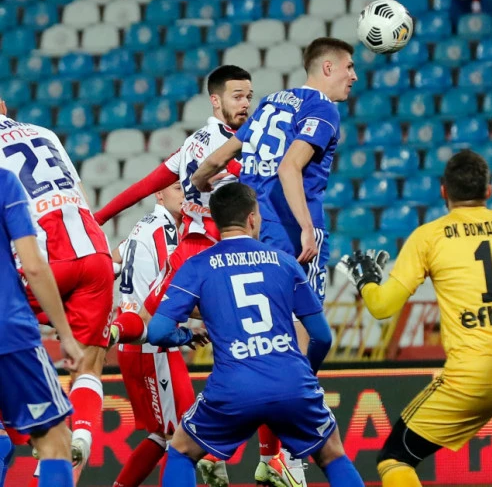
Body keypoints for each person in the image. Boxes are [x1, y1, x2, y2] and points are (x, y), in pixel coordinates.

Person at [191, 36, 357, 484]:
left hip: (254, 231)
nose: (354, 76)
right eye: (348, 67)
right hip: (290, 237)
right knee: (301, 340)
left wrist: (200, 181)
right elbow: (289, 167)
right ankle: (291, 452)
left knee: (262, 342)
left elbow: (223, 154)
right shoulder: (323, 109)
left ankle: (232, 446)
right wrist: (306, 227)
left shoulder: (270, 103)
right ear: (326, 68)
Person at [145, 182, 363, 487]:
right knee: (332, 455)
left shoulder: (197, 266)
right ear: (252, 218)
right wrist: (305, 374)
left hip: (233, 387)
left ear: (217, 220)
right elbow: (322, 336)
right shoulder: (284, 261)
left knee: (181, 451)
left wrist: (186, 337)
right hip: (290, 381)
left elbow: (157, 331)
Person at [104, 65, 252, 487]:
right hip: (210, 256)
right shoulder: (226, 146)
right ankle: (268, 455)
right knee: (184, 434)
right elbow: (252, 182)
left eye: (249, 96)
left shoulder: (193, 143)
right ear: (215, 100)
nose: (245, 103)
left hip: (191, 255)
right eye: (237, 96)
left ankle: (108, 333)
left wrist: (97, 219)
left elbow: (142, 187)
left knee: (168, 433)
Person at [337, 150, 492, 487]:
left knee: (395, 458)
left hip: (470, 374)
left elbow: (382, 307)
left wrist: (367, 281)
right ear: (488, 190)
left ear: (443, 191)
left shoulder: (429, 236)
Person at [0, 99, 112, 475]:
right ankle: (81, 434)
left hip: (42, 257)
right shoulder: (44, 133)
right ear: (3, 107)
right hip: (94, 251)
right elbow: (80, 196)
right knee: (88, 365)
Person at [110, 182, 222, 487]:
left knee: (163, 434)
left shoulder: (142, 225)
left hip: (135, 338)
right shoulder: (166, 231)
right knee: (182, 436)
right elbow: (173, 292)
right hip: (150, 345)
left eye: (186, 190)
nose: (184, 195)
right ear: (159, 194)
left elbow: (113, 260)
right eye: (176, 188)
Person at [0, 166, 85, 487]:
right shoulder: (5, 182)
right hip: (10, 334)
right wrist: (66, 335)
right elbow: (34, 266)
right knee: (54, 441)